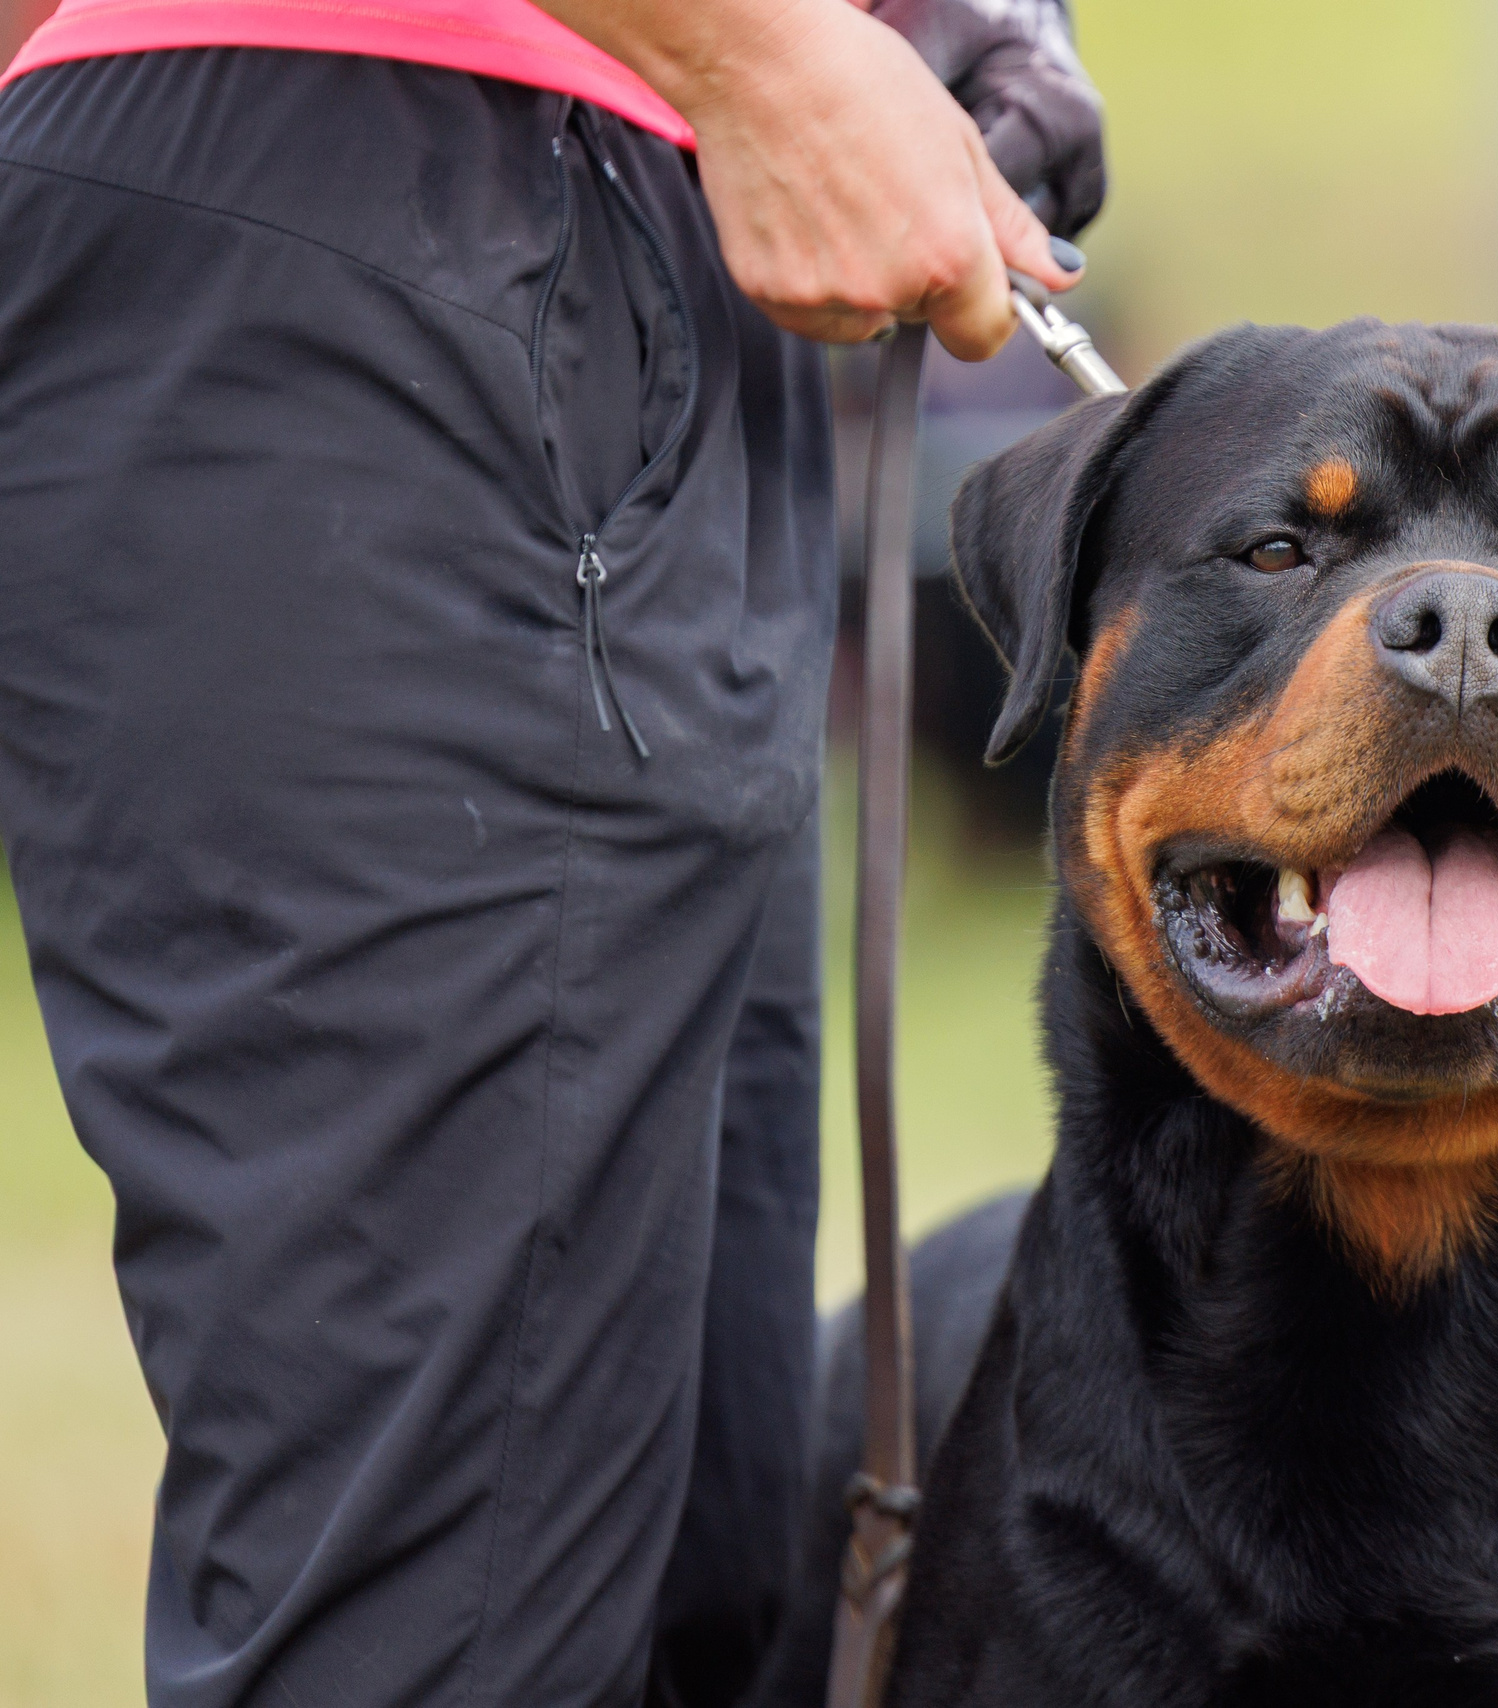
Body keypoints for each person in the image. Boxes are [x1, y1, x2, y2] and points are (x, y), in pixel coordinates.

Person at [0, 1, 1100, 1702]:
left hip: (602, 242)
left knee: (693, 1577)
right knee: (448, 1630)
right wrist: (768, 62)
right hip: (396, 200)